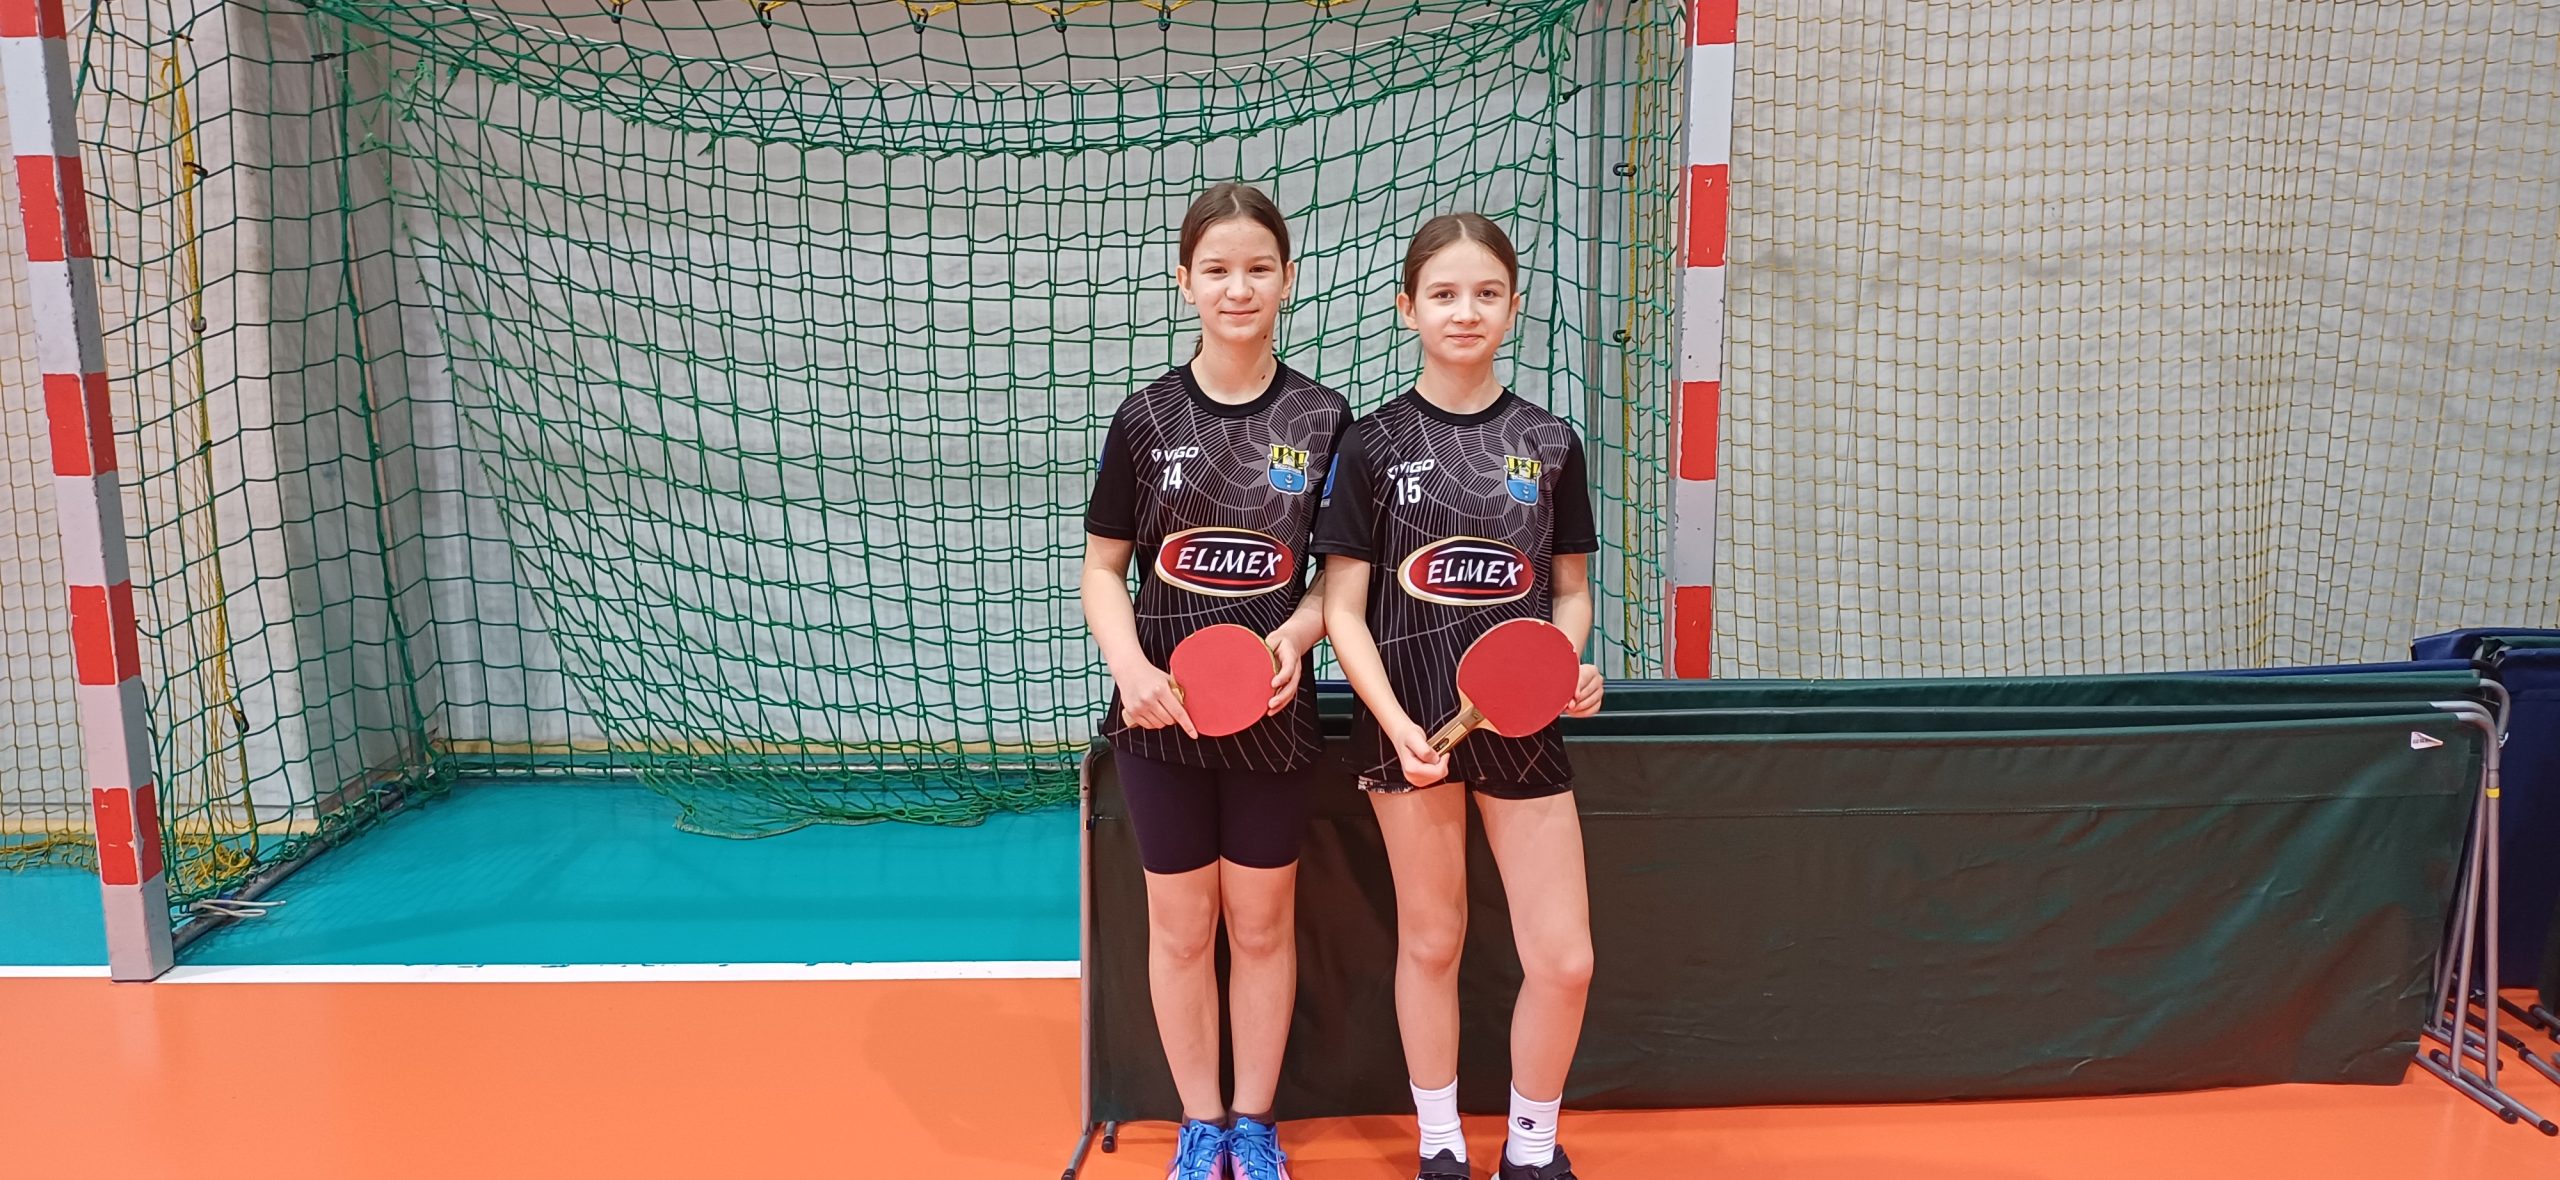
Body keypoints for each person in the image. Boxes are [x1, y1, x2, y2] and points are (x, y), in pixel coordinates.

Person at [1313, 212, 1605, 1180]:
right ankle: (1439, 1141)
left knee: (1564, 958)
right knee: (1433, 941)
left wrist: (1561, 666)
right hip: (1408, 732)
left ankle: (1531, 1147)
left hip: (1523, 734)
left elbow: (1569, 592)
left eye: (1486, 293)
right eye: (1443, 293)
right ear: (1409, 308)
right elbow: (1342, 609)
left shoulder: (1549, 442)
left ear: (1514, 307)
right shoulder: (1371, 444)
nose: (1465, 311)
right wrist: (1396, 726)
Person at [1079, 182, 1351, 1180]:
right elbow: (1102, 569)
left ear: (1287, 279)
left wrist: (1303, 633)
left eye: (1257, 269)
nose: (1238, 288)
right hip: (1160, 722)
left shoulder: (1323, 417)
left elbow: (1342, 573)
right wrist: (1131, 669)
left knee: (1265, 925)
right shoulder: (1145, 416)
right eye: (1218, 270)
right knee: (1182, 928)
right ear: (1184, 281)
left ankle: (1254, 1123)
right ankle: (1201, 1125)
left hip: (1274, 720)